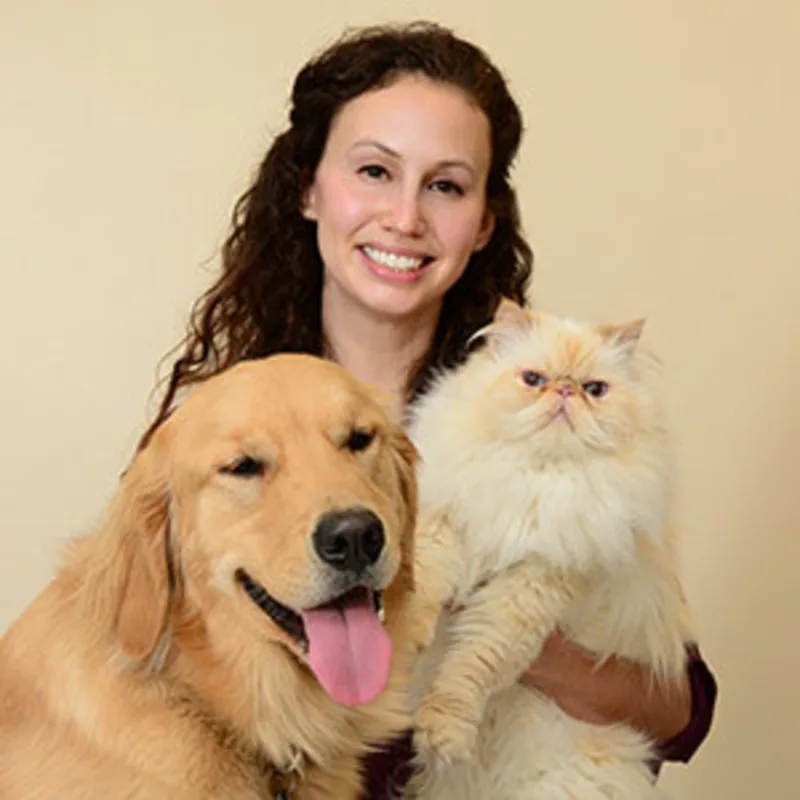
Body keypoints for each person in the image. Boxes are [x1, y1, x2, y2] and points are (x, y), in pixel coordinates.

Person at [140, 21, 717, 799]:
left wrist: (487, 625)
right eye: (375, 171)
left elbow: (680, 710)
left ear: (483, 221)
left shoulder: (547, 414)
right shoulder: (214, 433)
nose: (405, 218)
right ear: (308, 186)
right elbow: (140, 658)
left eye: (445, 185)